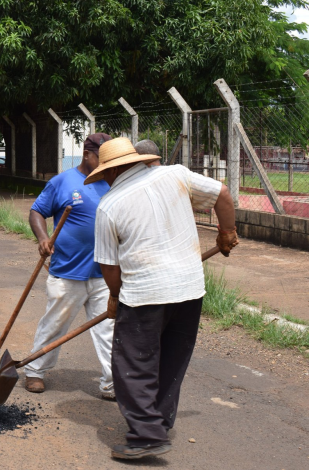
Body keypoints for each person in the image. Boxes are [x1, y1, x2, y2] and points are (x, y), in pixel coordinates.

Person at [85, 137, 237, 459]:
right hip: (189, 289)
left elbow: (109, 267)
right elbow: (222, 193)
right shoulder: (175, 174)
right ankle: (160, 423)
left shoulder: (109, 206)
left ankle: (145, 436)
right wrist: (226, 232)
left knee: (133, 364)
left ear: (111, 172)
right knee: (171, 359)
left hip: (144, 295)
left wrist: (115, 296)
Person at [24, 133, 116, 400]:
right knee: (54, 324)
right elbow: (37, 211)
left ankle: (111, 384)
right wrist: (43, 239)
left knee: (109, 331)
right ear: (87, 154)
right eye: (102, 158)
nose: (107, 164)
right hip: (67, 271)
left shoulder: (114, 183)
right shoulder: (63, 181)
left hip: (104, 274)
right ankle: (35, 371)